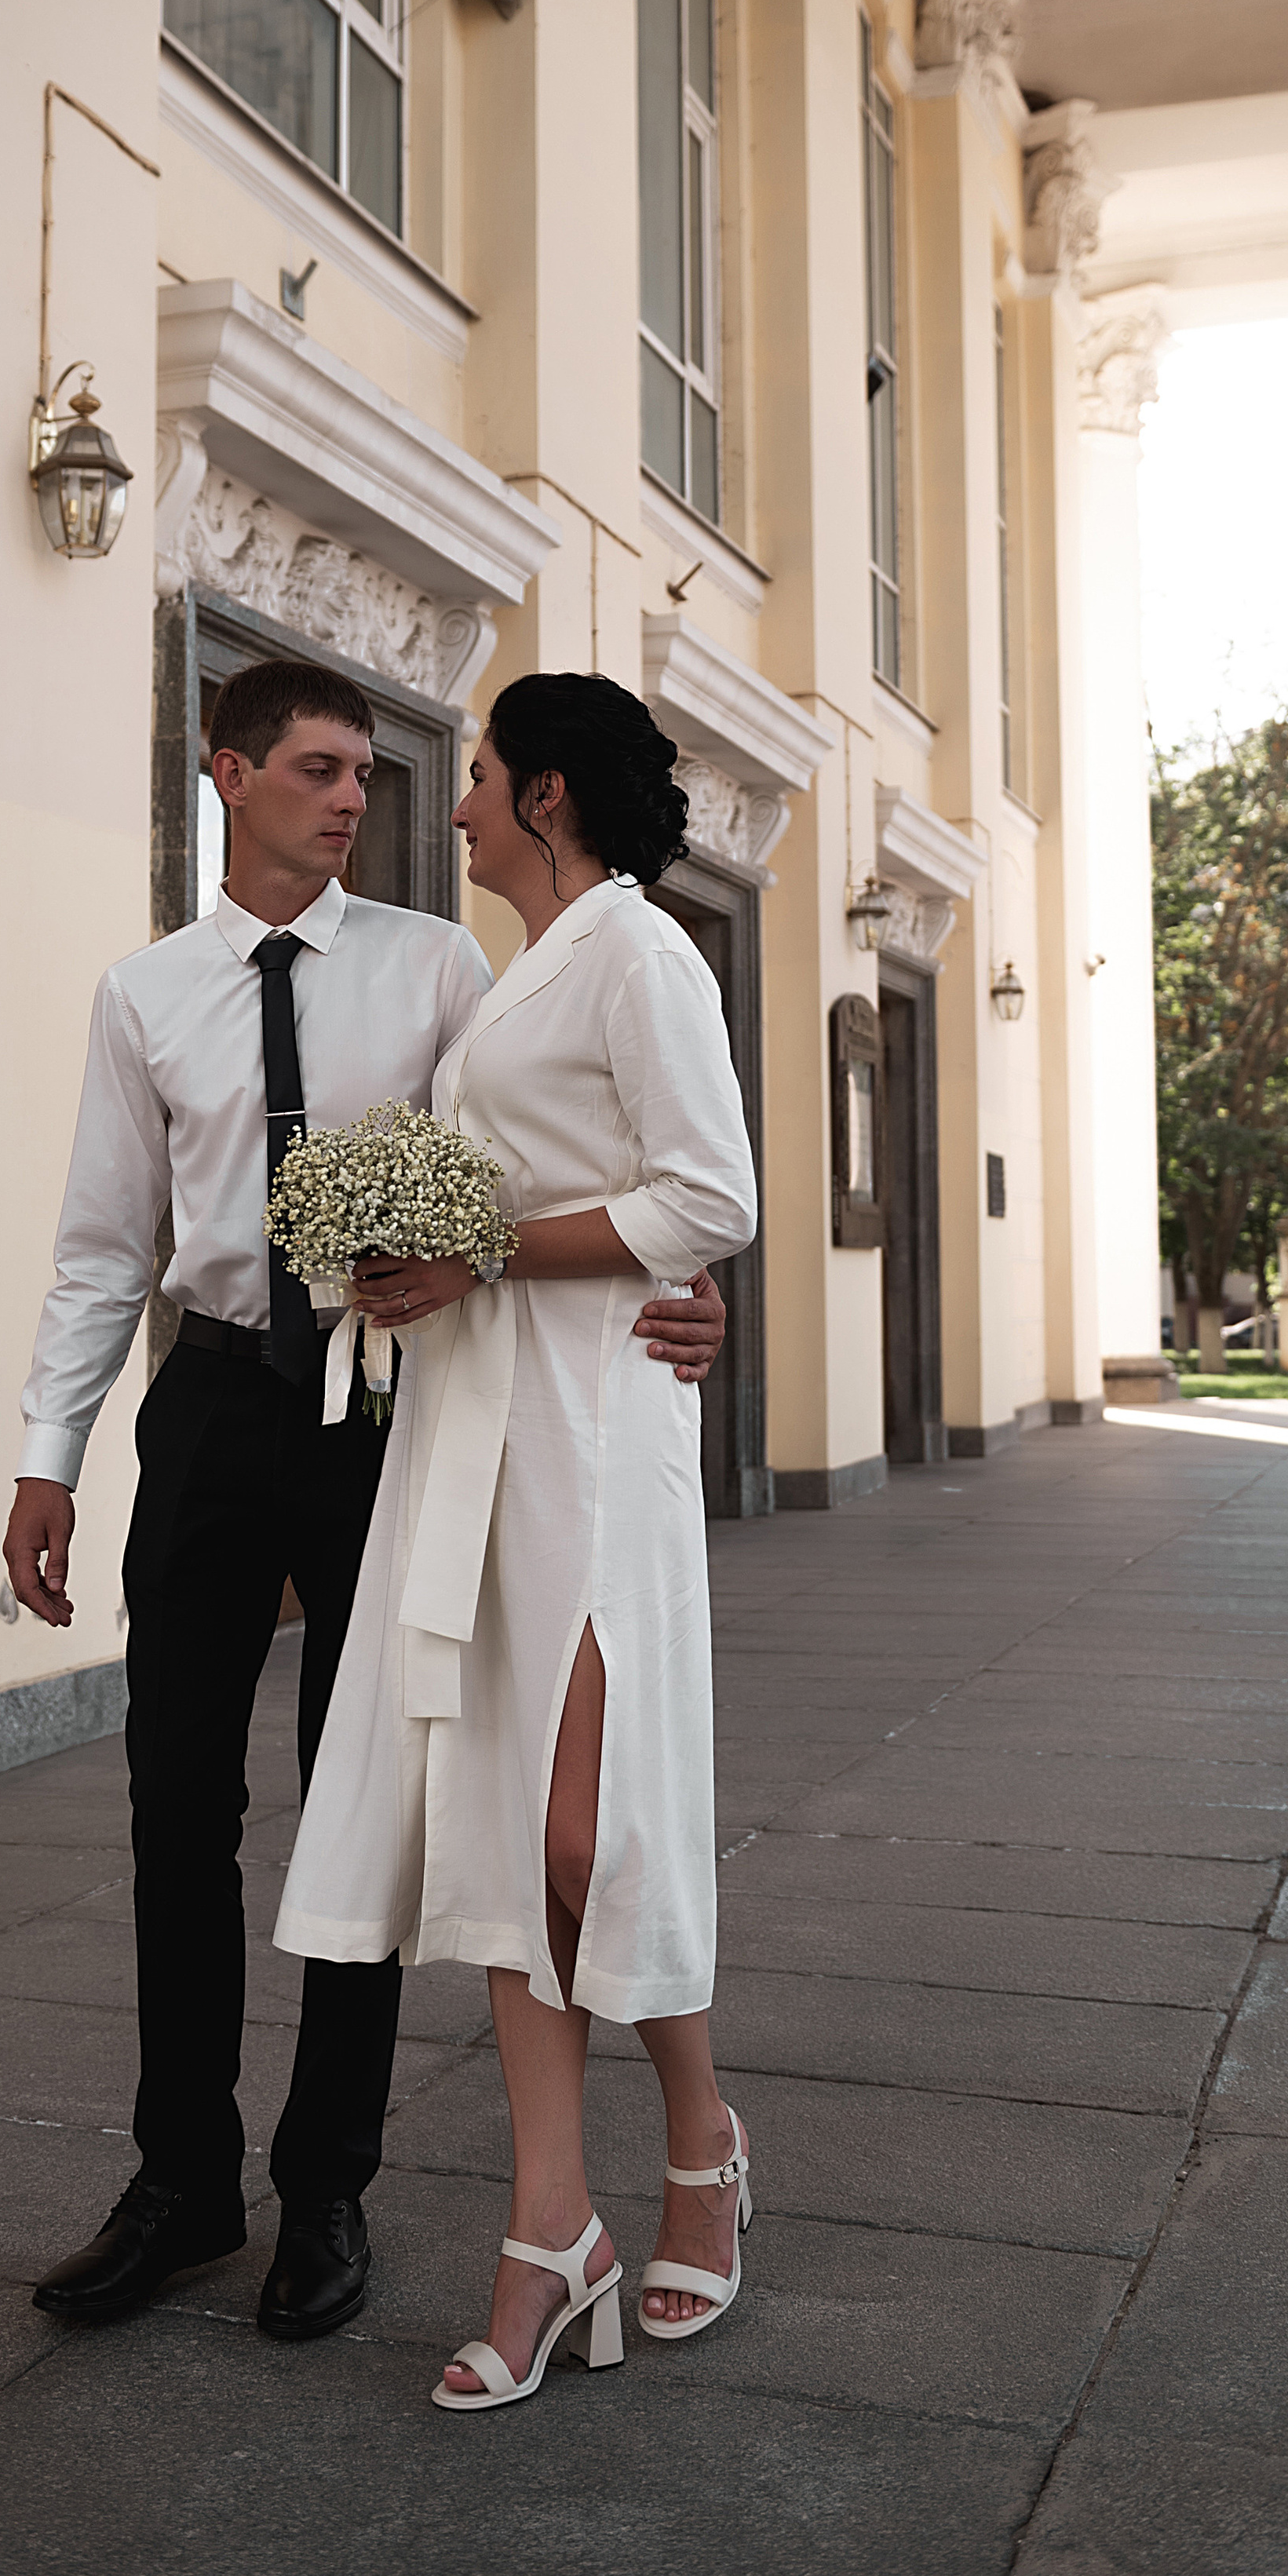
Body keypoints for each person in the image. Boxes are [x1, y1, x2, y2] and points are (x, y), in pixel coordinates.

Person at [2, 659, 727, 2346]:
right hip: (206, 1406)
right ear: (226, 771)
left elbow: (588, 1157)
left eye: (367, 774)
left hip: (382, 1409)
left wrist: (691, 1294)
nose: (353, 798)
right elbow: (104, 1243)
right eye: (318, 770)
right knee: (176, 1805)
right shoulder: (143, 993)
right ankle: (179, 2179)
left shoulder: (443, 963)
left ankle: (326, 2192)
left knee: (370, 1800)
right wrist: (50, 1453)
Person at [275, 672, 759, 2408]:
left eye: (476, 779)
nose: (456, 804)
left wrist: (484, 1253)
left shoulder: (639, 951)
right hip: (471, 1422)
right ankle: (551, 2226)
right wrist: (401, 1252)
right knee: (502, 1827)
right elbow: (538, 1188)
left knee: (580, 1835)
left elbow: (711, 1195)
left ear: (545, 794)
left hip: (596, 1417)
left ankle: (699, 2140)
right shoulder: (515, 978)